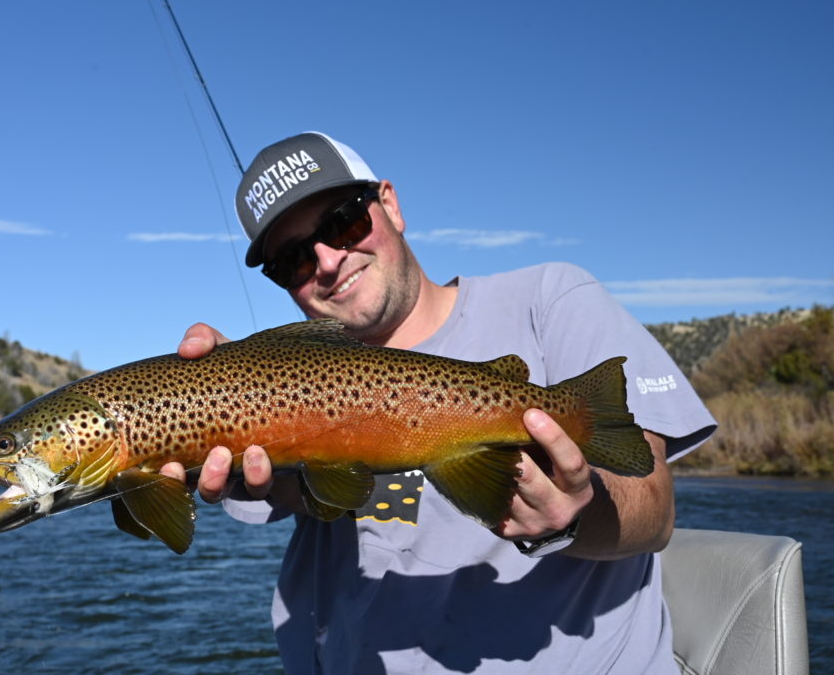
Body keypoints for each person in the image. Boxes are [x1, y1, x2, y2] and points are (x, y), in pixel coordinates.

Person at [162, 132, 716, 674]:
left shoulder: (549, 300)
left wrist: (572, 515)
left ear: (390, 205)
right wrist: (225, 406)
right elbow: (314, 496)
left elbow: (654, 511)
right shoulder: (278, 381)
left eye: (343, 222)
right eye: (292, 260)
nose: (328, 262)